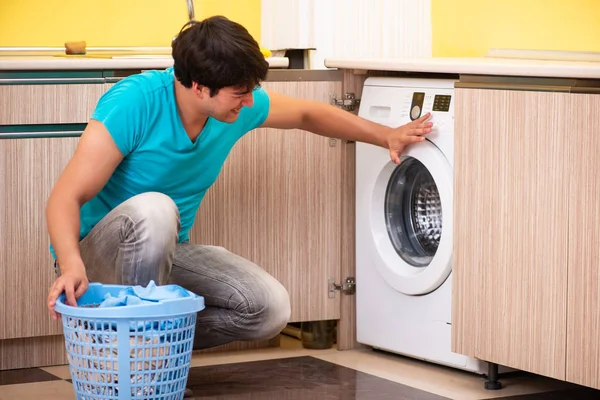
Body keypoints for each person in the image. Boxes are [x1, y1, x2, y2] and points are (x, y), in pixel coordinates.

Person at [46, 15, 432, 351]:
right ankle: (140, 360)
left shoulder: (233, 103)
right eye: (240, 94)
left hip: (163, 253)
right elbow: (64, 198)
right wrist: (70, 266)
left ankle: (139, 345)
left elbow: (306, 113)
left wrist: (386, 135)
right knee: (156, 208)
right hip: (94, 259)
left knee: (268, 309)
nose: (249, 103)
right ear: (199, 87)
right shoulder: (135, 102)